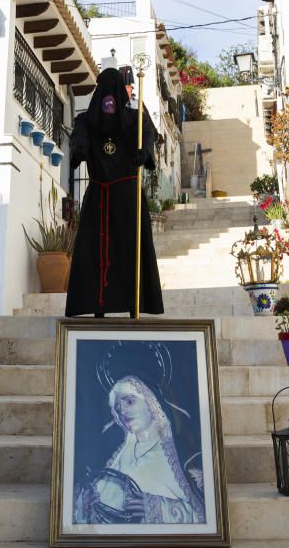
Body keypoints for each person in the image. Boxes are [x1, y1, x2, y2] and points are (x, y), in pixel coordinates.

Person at [65, 67, 163, 317]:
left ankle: (135, 304)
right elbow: (78, 138)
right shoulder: (87, 120)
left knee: (130, 251)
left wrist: (146, 151)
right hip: (100, 193)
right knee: (94, 250)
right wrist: (80, 147)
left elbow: (149, 136)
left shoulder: (135, 119)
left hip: (128, 196)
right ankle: (98, 306)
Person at [73, 375, 205, 524]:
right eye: (117, 408)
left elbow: (204, 515)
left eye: (130, 401)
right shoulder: (113, 456)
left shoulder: (185, 458)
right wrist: (85, 505)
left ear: (151, 401)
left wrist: (157, 508)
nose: (122, 410)